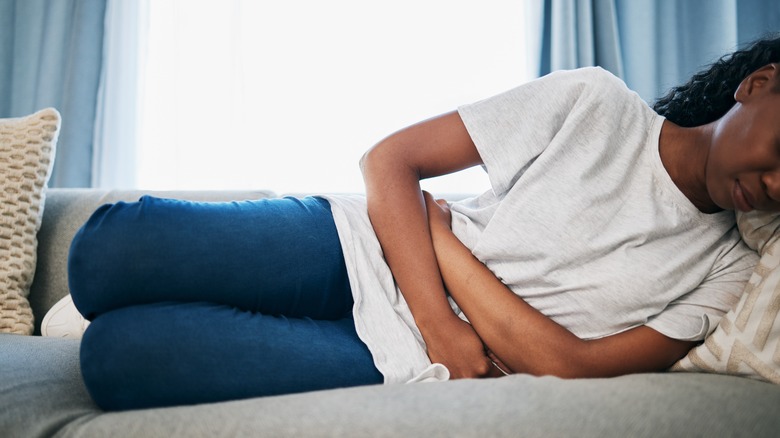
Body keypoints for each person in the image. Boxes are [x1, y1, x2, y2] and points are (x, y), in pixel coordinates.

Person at [67, 35, 780, 411]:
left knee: (118, 361)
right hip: (363, 251)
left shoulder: (729, 269)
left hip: (401, 359)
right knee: (108, 250)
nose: (775, 185)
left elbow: (573, 366)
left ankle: (119, 314)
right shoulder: (597, 104)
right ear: (757, 86)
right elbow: (390, 161)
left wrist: (444, 250)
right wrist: (443, 317)